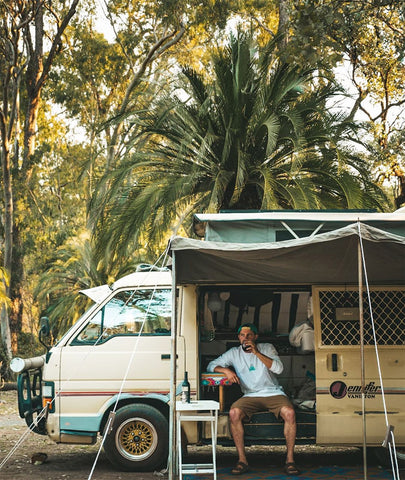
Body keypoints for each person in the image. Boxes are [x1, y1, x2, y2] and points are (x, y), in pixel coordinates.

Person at [207, 323, 300, 476]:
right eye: (242, 335)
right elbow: (211, 365)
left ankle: (290, 461)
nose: (246, 338)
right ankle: (242, 461)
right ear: (238, 338)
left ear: (255, 337)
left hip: (273, 393)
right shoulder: (234, 353)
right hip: (250, 395)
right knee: (234, 413)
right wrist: (225, 370)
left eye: (249, 335)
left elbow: (279, 369)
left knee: (290, 413)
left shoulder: (267, 347)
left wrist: (256, 352)